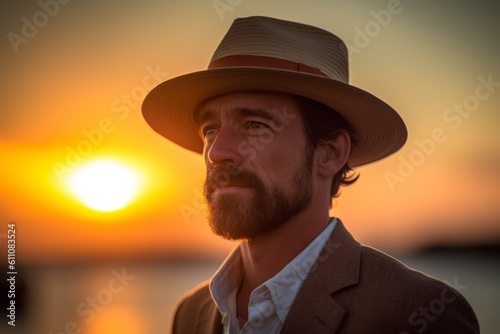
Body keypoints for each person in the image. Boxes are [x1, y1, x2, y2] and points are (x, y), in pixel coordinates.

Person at [142, 16, 480, 334]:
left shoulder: (417, 312)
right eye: (211, 129)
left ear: (330, 154)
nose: (217, 152)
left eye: (255, 125)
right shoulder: (191, 314)